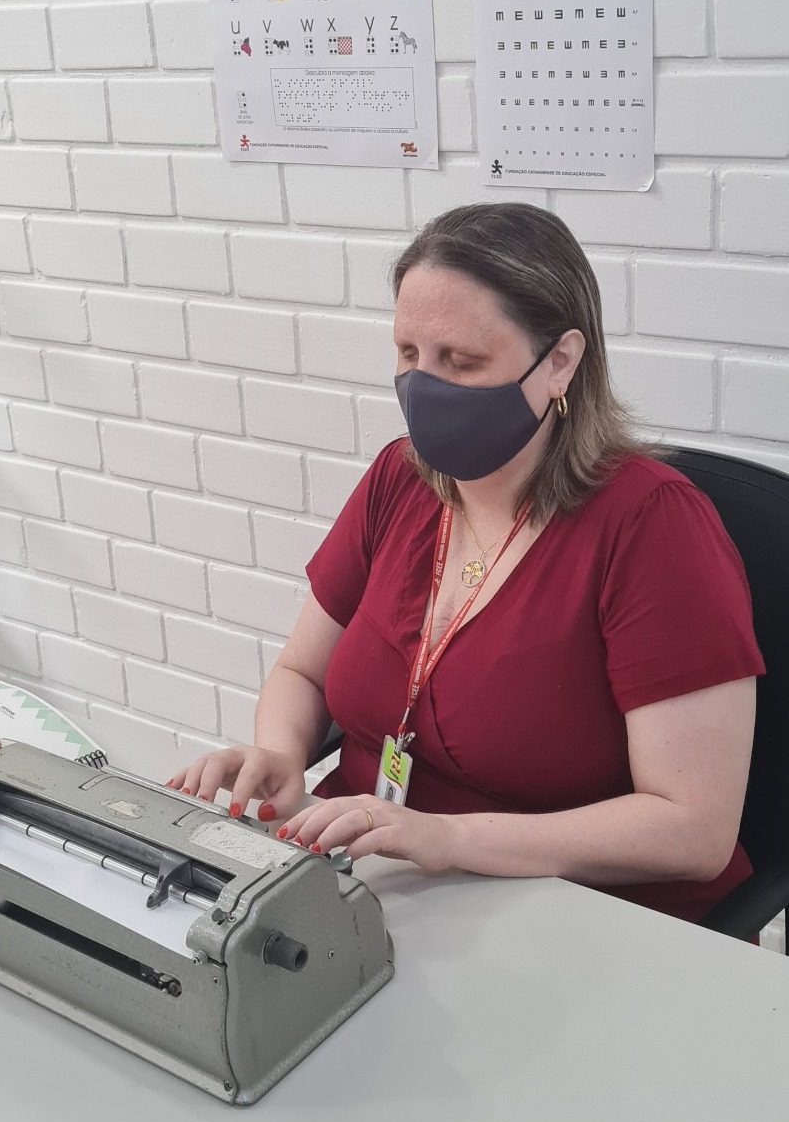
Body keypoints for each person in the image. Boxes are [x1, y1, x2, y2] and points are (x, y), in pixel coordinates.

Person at [170, 203, 764, 923]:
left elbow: (693, 831)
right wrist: (280, 755)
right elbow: (302, 670)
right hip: (373, 876)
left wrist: (444, 838)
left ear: (560, 362)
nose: (424, 387)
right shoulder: (401, 478)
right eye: (408, 354)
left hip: (573, 911)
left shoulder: (652, 524)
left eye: (461, 360)